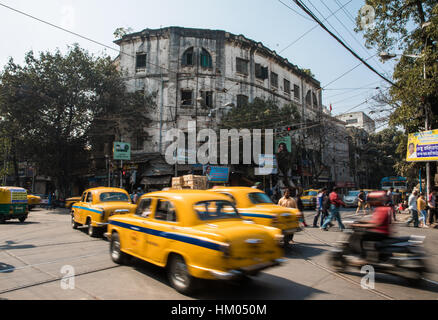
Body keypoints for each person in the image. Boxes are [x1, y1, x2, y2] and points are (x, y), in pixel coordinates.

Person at [350, 197, 392, 263]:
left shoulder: (382, 210)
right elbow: (374, 221)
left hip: (381, 232)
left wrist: (359, 225)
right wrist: (361, 222)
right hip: (382, 231)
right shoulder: (381, 209)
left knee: (360, 236)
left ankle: (363, 257)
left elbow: (376, 224)